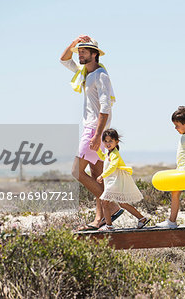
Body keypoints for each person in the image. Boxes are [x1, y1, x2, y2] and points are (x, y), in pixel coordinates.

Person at [60, 35, 123, 231]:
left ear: (94, 54)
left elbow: (106, 109)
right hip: (94, 131)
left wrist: (97, 135)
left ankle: (112, 206)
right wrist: (73, 43)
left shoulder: (101, 75)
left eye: (84, 51)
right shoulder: (86, 72)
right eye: (79, 51)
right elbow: (64, 60)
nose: (80, 54)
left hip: (94, 131)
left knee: (76, 171)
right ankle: (100, 219)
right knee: (97, 176)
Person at [95, 129, 150, 231]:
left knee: (104, 201)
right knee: (122, 203)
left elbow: (112, 167)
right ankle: (142, 218)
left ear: (116, 142)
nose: (108, 143)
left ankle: (109, 225)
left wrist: (102, 176)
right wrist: (97, 149)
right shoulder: (109, 153)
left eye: (110, 141)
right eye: (105, 141)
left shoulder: (115, 154)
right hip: (113, 181)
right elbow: (103, 157)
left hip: (116, 181)